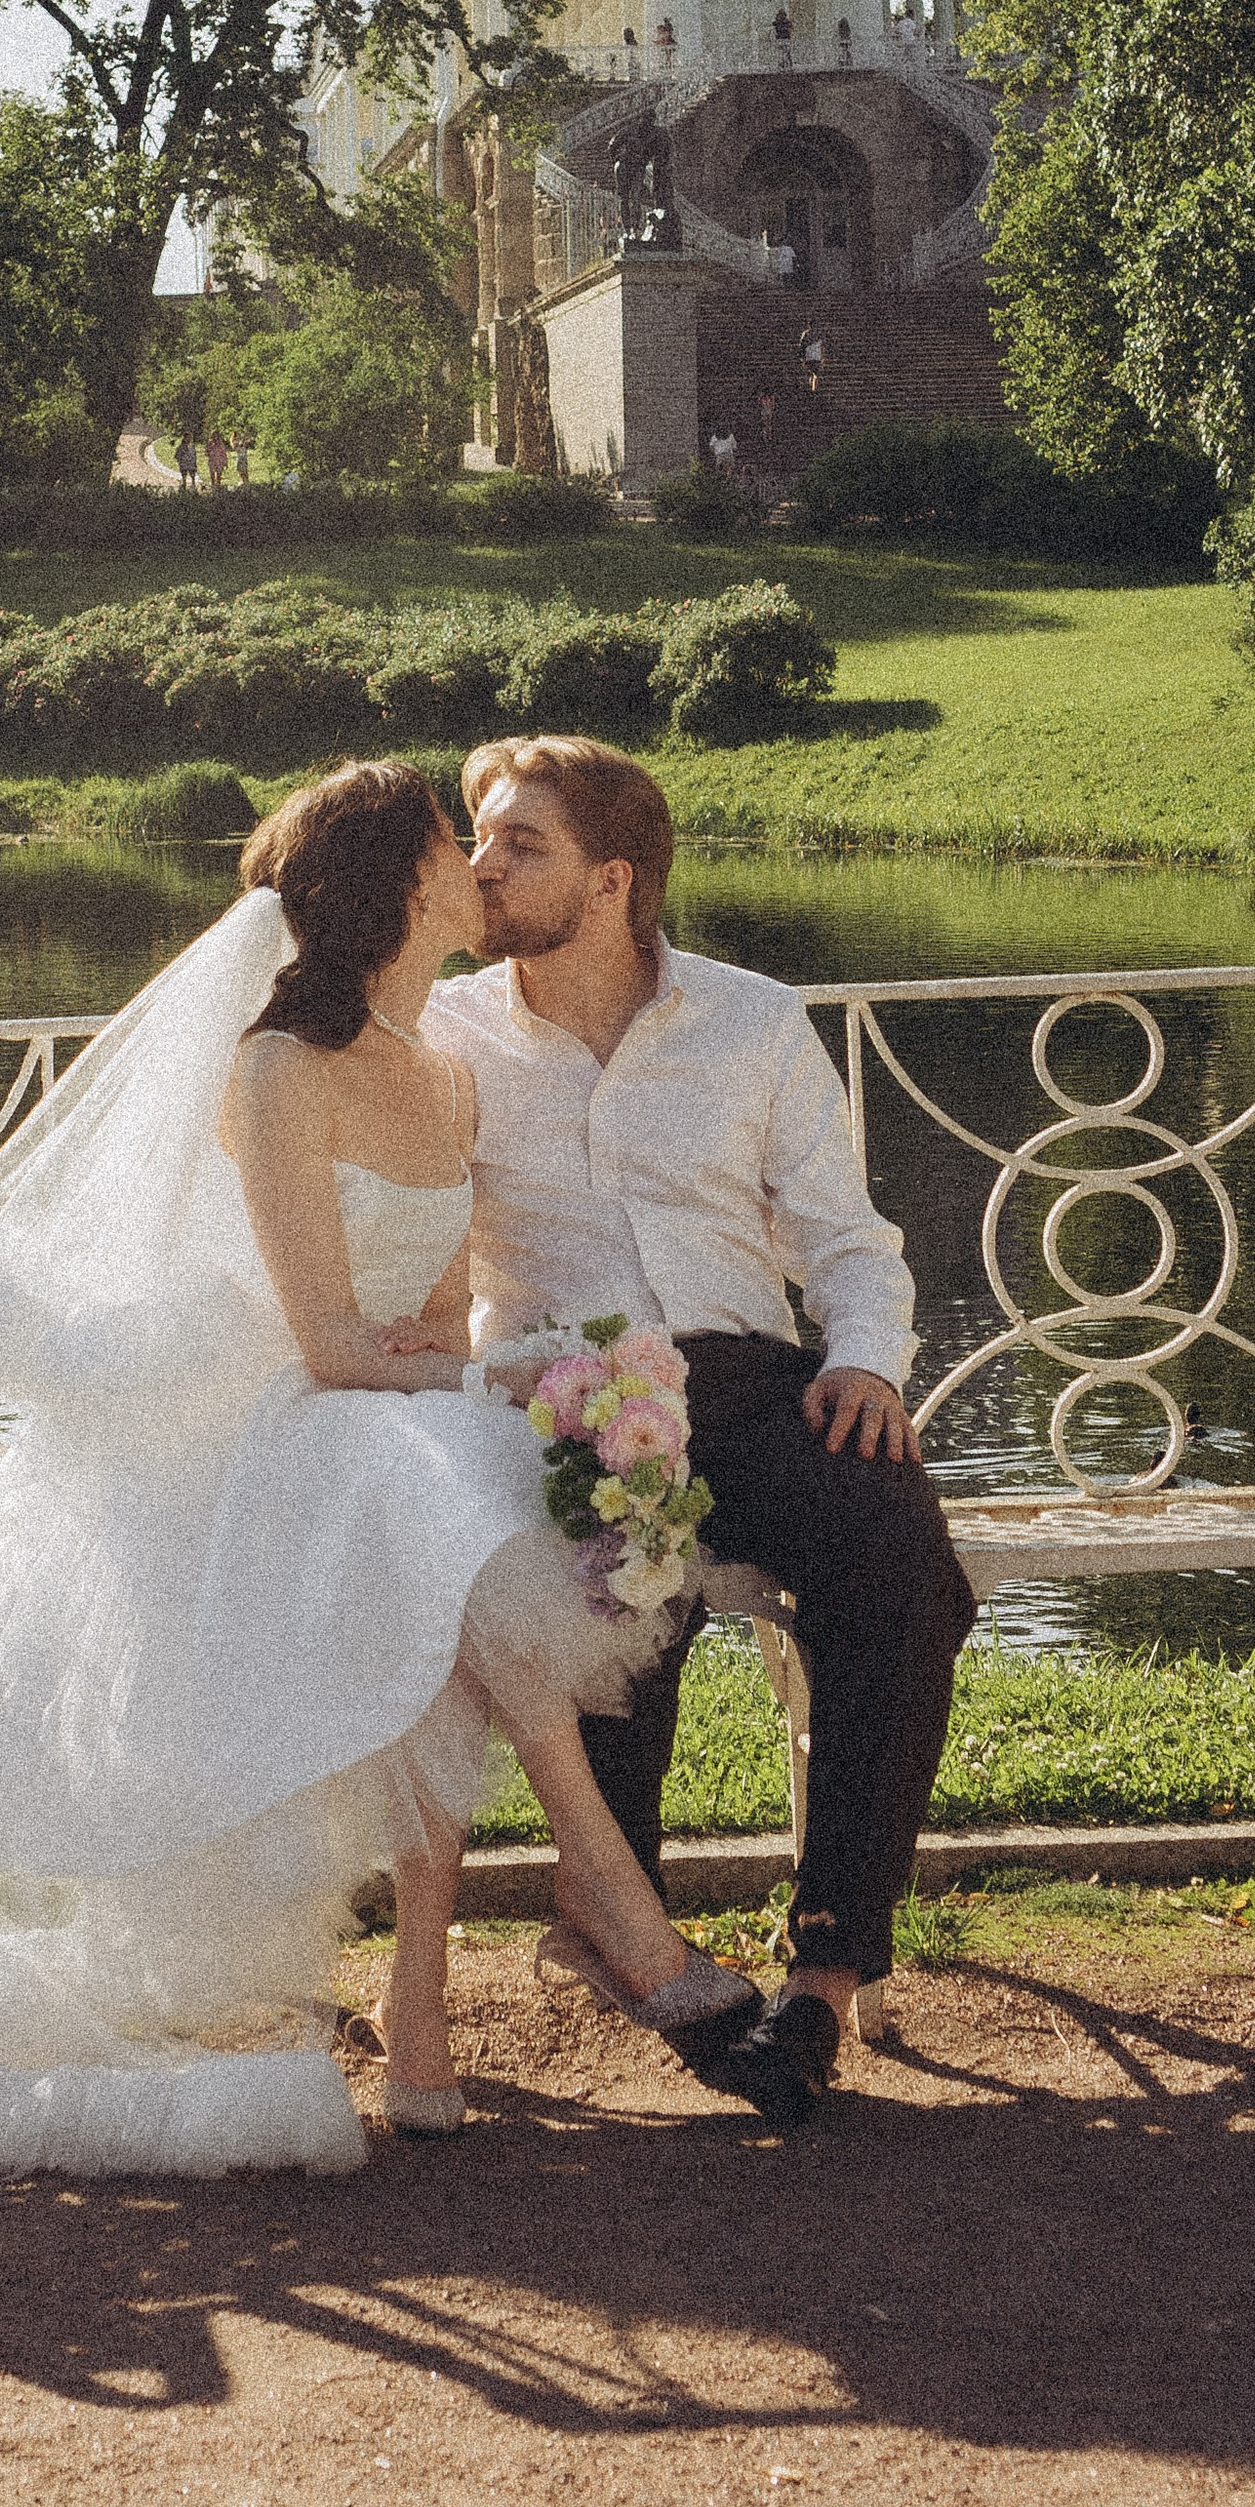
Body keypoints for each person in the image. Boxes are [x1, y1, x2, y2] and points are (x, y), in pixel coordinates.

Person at [0, 762, 769, 2180]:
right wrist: (488, 1375)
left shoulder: (446, 1075)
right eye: (455, 853)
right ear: (404, 893)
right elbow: (328, 1343)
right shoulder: (276, 1067)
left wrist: (488, 1360)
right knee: (437, 1497)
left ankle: (432, 2006)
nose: (482, 872)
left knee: (442, 1513)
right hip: (251, 1437)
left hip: (376, 1431)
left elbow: (431, 1305)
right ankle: (606, 1898)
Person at [421, 738, 979, 2128]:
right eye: (481, 841)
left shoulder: (753, 1022)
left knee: (902, 1561)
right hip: (566, 1402)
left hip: (752, 1388)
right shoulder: (448, 1039)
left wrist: (867, 1367)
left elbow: (849, 1241)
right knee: (619, 1577)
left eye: (519, 845)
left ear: (613, 881)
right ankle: (626, 1925)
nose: (480, 866)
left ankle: (828, 1979)